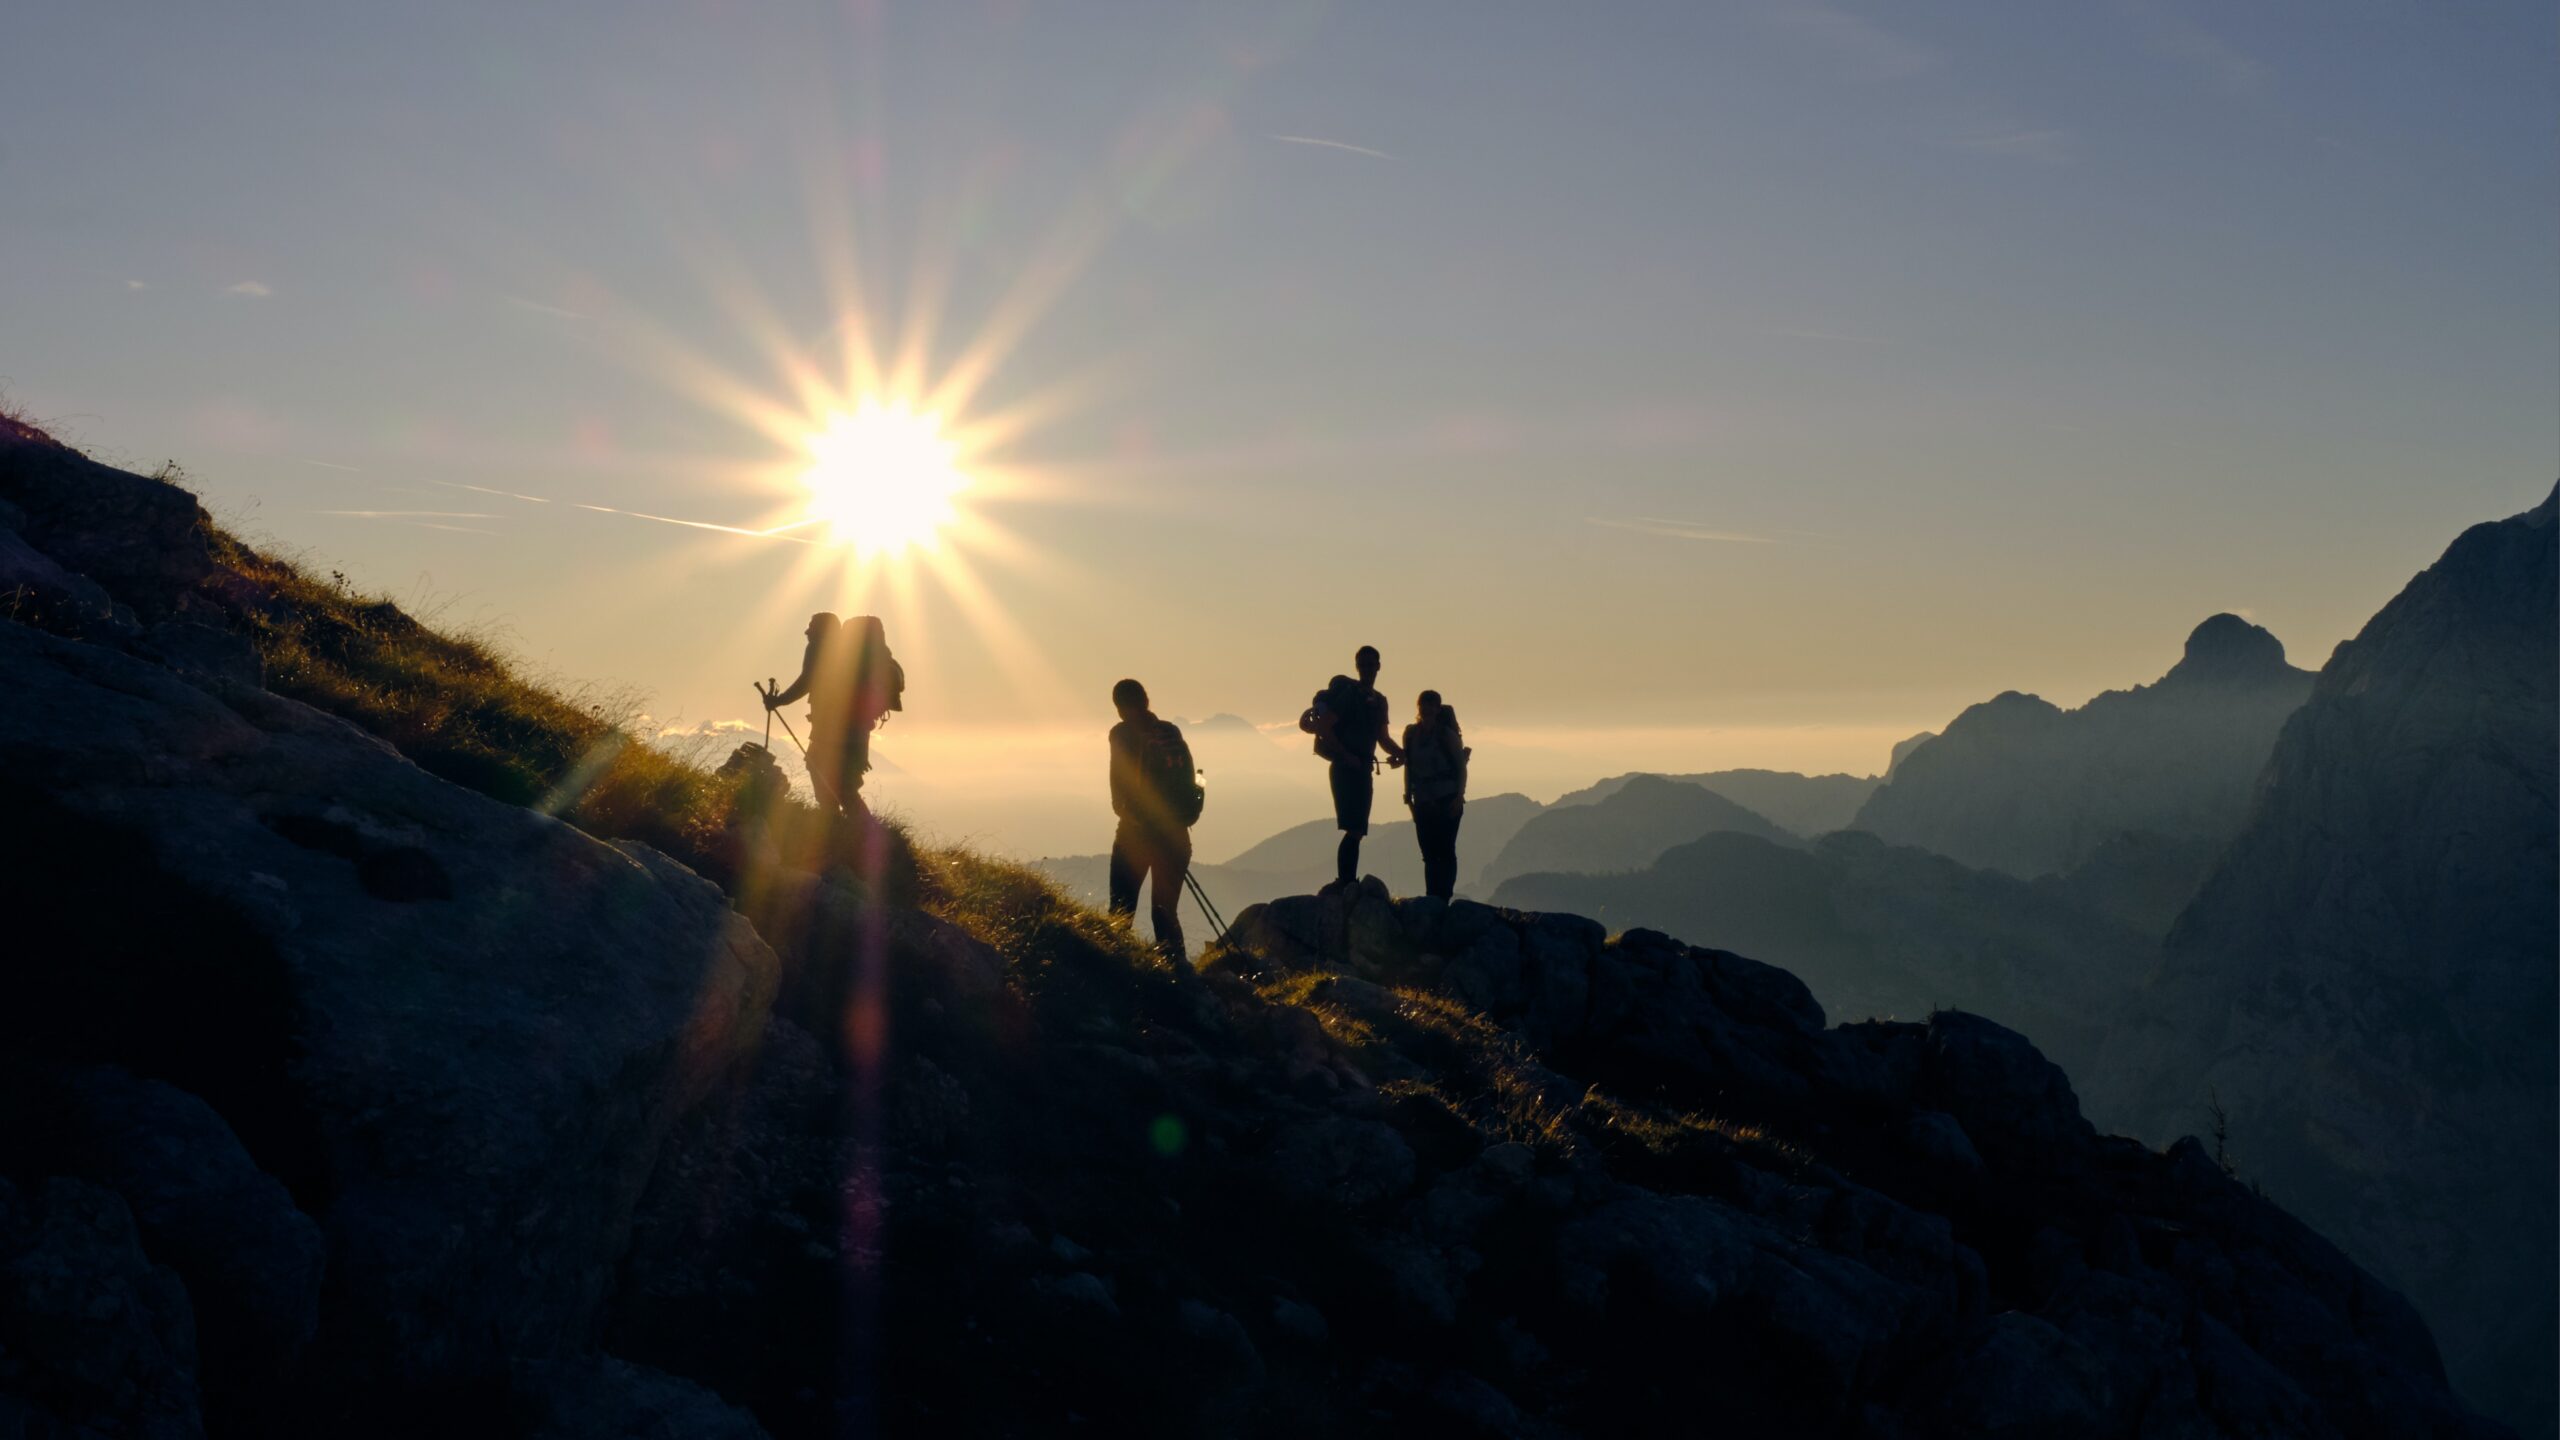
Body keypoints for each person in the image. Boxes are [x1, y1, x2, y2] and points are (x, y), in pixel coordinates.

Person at [764, 612, 903, 814]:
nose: (807, 631)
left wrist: (779, 701)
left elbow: (807, 681)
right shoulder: (849, 655)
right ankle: (847, 829)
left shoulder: (819, 647)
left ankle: (841, 825)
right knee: (845, 786)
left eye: (811, 627)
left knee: (826, 778)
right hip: (857, 732)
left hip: (831, 732)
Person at [1106, 678, 1201, 964]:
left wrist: (1128, 813)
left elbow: (1118, 786)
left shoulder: (1121, 734)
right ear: (1146, 701)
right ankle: (1178, 976)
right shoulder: (1171, 732)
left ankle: (1115, 971)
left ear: (1120, 707)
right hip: (1176, 836)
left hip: (1135, 836)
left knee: (1121, 911)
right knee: (1165, 912)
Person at [1299, 645, 1405, 894]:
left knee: (1357, 828)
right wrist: (1347, 756)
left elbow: (1383, 739)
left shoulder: (1379, 701)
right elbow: (1325, 727)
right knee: (1354, 827)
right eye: (1363, 665)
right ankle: (1346, 881)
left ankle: (1347, 881)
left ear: (1378, 666)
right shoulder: (1350, 696)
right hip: (1346, 769)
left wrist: (1402, 755)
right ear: (1357, 667)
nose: (1368, 669)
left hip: (1362, 768)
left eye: (1371, 664)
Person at [1401, 690, 1470, 900]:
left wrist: (1459, 797)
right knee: (1429, 853)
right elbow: (1408, 767)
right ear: (1418, 707)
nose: (1427, 709)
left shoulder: (1446, 735)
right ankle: (1433, 896)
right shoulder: (1411, 734)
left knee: (1445, 849)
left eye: (1431, 705)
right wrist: (1408, 797)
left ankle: (1443, 897)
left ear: (1438, 709)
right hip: (1423, 800)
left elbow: (1461, 768)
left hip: (1447, 799)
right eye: (1424, 704)